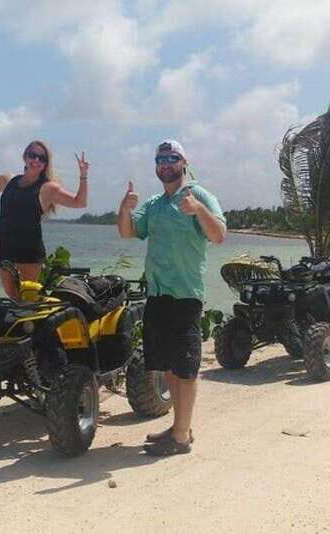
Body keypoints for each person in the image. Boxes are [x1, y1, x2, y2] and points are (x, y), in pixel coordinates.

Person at [117, 139, 226, 456]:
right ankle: (180, 427)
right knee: (168, 365)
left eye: (171, 158)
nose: (165, 164)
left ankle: (180, 438)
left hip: (186, 295)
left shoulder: (199, 195)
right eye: (160, 159)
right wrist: (125, 208)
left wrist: (198, 210)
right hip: (158, 294)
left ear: (183, 163)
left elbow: (219, 235)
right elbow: (127, 231)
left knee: (186, 368)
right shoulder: (154, 204)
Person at [0, 139, 89, 299]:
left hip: (29, 250)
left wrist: (83, 176)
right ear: (24, 157)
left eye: (42, 158)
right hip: (3, 246)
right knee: (13, 298)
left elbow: (79, 202)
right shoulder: (8, 181)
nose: (36, 160)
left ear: (46, 163)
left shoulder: (48, 188)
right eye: (33, 155)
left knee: (27, 299)